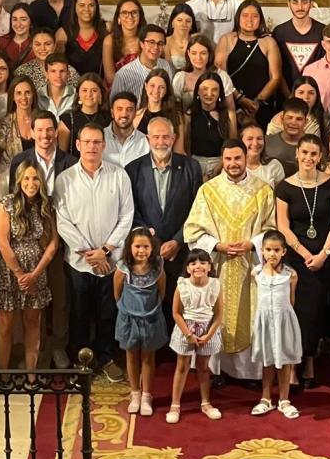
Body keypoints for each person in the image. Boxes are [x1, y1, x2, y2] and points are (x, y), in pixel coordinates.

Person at [184, 140, 277, 380]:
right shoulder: (208, 191)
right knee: (216, 312)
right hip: (218, 266)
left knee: (251, 314)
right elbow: (192, 230)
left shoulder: (263, 190)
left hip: (250, 266)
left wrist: (252, 244)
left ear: (246, 158)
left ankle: (248, 374)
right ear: (222, 160)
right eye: (228, 159)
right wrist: (217, 246)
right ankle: (216, 370)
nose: (233, 164)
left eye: (237, 158)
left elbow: (272, 229)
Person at [54, 123, 135, 379]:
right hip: (79, 261)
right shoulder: (65, 179)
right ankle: (82, 360)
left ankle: (106, 357)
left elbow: (127, 215)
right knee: (79, 312)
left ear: (104, 145)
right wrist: (90, 253)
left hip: (111, 260)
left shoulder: (119, 175)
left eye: (96, 142)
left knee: (108, 312)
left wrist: (107, 250)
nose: (91, 147)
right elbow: (63, 221)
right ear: (77, 145)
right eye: (86, 142)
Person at [274, 135, 330, 388]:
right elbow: (283, 226)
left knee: (315, 311)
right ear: (297, 153)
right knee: (296, 311)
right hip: (296, 258)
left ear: (320, 156)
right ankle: (293, 367)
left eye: (314, 154)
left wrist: (323, 254)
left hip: (325, 257)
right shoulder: (285, 187)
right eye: (304, 152)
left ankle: (310, 360)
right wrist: (304, 253)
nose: (308, 158)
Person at [126, 115, 204, 298]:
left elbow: (198, 210)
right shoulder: (133, 170)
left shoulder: (191, 167)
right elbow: (131, 210)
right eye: (156, 137)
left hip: (182, 252)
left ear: (173, 138)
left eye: (165, 137)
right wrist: (150, 240)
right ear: (147, 139)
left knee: (178, 305)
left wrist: (177, 241)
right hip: (147, 253)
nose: (161, 142)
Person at [0, 160, 59, 371]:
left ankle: (31, 375)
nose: (31, 183)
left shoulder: (46, 205)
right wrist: (20, 274)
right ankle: (4, 375)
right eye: (27, 178)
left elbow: (53, 243)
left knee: (33, 325)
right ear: (19, 180)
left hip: (36, 271)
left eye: (35, 178)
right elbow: (2, 242)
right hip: (9, 272)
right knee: (6, 326)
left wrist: (35, 274)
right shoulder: (7, 204)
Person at [114, 227, 168, 416]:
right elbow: (117, 291)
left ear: (152, 248)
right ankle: (134, 392)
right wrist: (126, 309)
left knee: (148, 356)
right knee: (131, 354)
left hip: (150, 317)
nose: (141, 251)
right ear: (130, 247)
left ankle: (146, 395)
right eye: (137, 246)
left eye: (145, 246)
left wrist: (151, 310)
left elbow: (162, 291)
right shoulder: (124, 266)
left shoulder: (157, 266)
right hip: (129, 317)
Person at [167, 249, 224, 423]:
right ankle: (175, 405)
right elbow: (176, 313)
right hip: (186, 328)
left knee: (203, 367)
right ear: (188, 268)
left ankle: (206, 403)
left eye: (202, 262)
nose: (198, 266)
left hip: (207, 329)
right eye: (193, 263)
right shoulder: (183, 285)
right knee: (182, 366)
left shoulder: (215, 285)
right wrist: (188, 334)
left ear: (209, 266)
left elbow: (219, 314)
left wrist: (208, 335)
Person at [250, 230, 302, 418]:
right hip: (265, 321)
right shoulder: (256, 273)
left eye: (276, 250)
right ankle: (265, 399)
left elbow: (291, 300)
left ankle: (284, 399)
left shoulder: (291, 275)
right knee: (267, 360)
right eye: (268, 249)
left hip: (283, 321)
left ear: (284, 252)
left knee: (285, 360)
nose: (272, 254)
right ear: (262, 251)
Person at [217, 0, 282, 128]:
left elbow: (275, 77)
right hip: (232, 102)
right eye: (245, 15)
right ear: (238, 18)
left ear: (260, 19)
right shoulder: (227, 39)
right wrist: (240, 98)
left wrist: (257, 102)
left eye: (255, 16)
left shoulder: (269, 42)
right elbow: (220, 72)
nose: (250, 20)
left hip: (261, 105)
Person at [272, 0, 324, 88]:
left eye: (304, 2)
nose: (300, 7)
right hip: (285, 96)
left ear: (312, 4)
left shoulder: (322, 31)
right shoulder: (279, 32)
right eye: (295, 3)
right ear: (288, 4)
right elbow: (276, 68)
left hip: (316, 94)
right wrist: (287, 95)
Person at [111, 23, 174, 100]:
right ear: (141, 44)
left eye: (160, 43)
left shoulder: (166, 66)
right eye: (151, 42)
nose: (156, 47)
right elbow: (115, 105)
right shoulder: (123, 74)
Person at [59, 73, 110, 154]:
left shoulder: (109, 118)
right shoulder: (67, 119)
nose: (89, 94)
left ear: (100, 95)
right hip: (75, 165)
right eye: (84, 90)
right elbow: (62, 154)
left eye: (94, 90)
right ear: (78, 94)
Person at [135, 68, 185, 149]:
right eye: (152, 85)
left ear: (166, 90)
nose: (156, 90)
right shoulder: (136, 116)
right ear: (145, 86)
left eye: (161, 87)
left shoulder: (175, 116)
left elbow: (179, 151)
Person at [64, 0, 107, 80]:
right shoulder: (63, 33)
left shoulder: (106, 28)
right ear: (74, 7)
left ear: (97, 8)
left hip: (99, 86)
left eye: (91, 5)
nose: (86, 9)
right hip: (73, 87)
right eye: (82, 5)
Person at [104, 92, 151, 167]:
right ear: (112, 113)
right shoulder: (100, 138)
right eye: (119, 109)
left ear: (135, 113)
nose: (124, 114)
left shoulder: (145, 142)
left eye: (129, 110)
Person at [164, 3, 199, 73]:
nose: (184, 24)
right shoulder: (165, 42)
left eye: (188, 21)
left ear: (192, 24)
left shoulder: (197, 40)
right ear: (172, 23)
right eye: (179, 20)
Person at [0, 4, 35, 69]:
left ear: (31, 21)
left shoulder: (37, 42)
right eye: (15, 19)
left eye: (23, 19)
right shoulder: (3, 41)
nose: (18, 24)